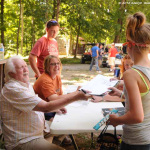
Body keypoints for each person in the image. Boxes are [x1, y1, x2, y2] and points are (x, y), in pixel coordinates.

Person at [0, 56, 90, 150]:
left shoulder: (24, 84)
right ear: (11, 73)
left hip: (40, 130)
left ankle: (51, 142)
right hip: (25, 140)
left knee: (65, 125)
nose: (25, 69)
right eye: (21, 67)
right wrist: (76, 96)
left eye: (25, 66)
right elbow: (46, 107)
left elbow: (34, 106)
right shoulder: (13, 89)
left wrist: (55, 108)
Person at [108, 12, 150, 150]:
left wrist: (116, 120)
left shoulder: (131, 74)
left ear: (130, 45)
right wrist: (121, 95)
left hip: (136, 141)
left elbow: (137, 116)